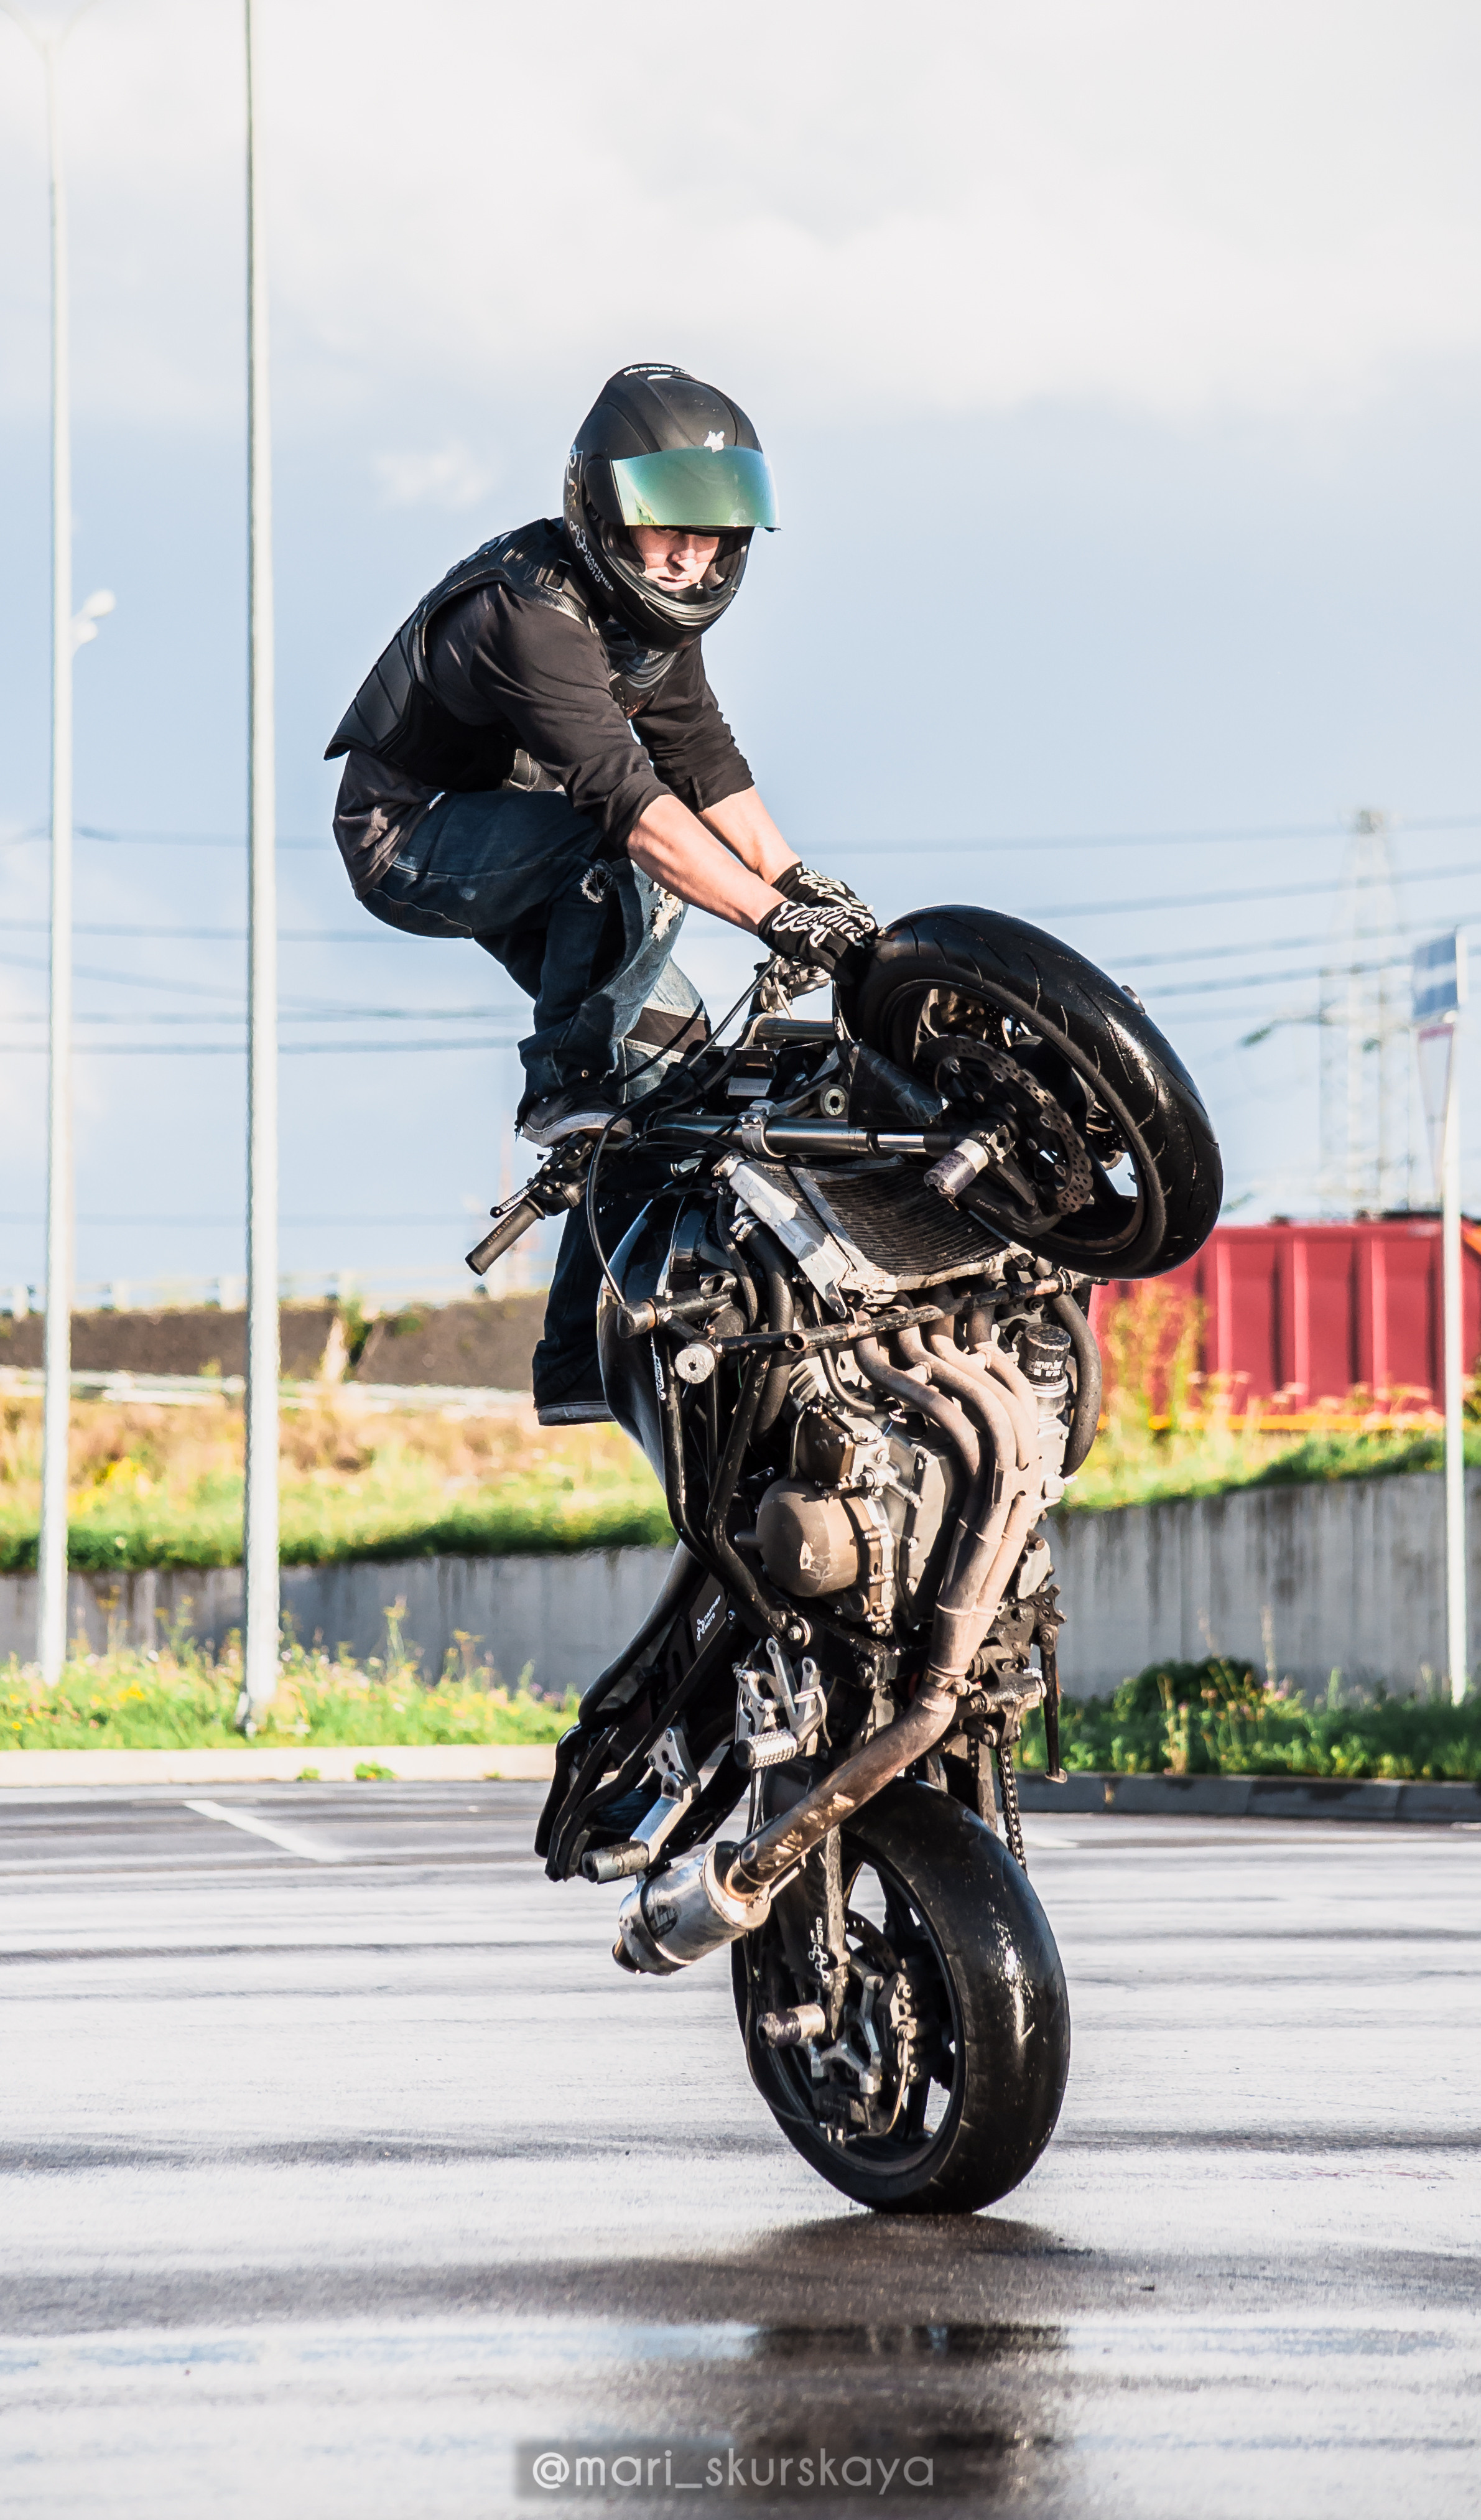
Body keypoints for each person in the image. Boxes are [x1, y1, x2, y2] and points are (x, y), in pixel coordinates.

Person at [327, 363, 877, 1423]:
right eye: (668, 529)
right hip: (414, 842)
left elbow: (703, 760)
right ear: (604, 511)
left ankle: (579, 1360)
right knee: (628, 868)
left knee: (673, 1084)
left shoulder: (653, 621)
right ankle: (565, 1076)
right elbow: (637, 810)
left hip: (542, 845)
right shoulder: (525, 614)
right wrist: (775, 920)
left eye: (713, 536)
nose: (690, 557)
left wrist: (806, 886)